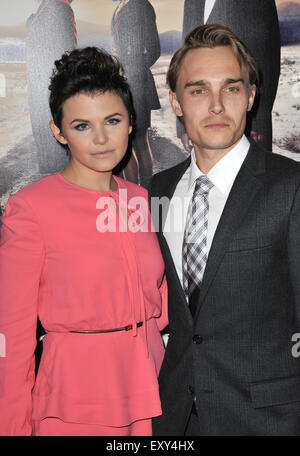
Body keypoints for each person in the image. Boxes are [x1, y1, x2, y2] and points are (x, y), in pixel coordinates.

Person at [0, 47, 167, 436]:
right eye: (81, 126)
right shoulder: (31, 208)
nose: (101, 138)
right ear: (58, 131)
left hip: (154, 386)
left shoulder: (145, 200)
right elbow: (12, 333)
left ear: (130, 123)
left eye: (112, 120)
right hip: (77, 398)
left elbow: (161, 300)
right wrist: (12, 427)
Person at [149, 24, 300, 436]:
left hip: (268, 420)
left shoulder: (291, 186)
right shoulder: (157, 191)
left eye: (230, 89)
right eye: (198, 90)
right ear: (176, 102)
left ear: (251, 97)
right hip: (176, 418)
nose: (216, 105)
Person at [177, 0, 280, 152]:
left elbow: (268, 60)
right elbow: (183, 68)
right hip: (200, 125)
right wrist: (183, 123)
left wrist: (257, 120)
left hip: (248, 123)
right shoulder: (192, 2)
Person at [111, 0, 161, 187]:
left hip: (137, 84)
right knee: (124, 142)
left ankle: (144, 194)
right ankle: (133, 196)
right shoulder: (119, 6)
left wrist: (133, 69)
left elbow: (154, 49)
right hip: (121, 84)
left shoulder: (142, 5)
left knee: (138, 141)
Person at [26, 0, 77, 174]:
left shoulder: (58, 8)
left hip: (51, 96)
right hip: (43, 95)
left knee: (57, 159)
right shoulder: (49, 7)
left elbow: (67, 57)